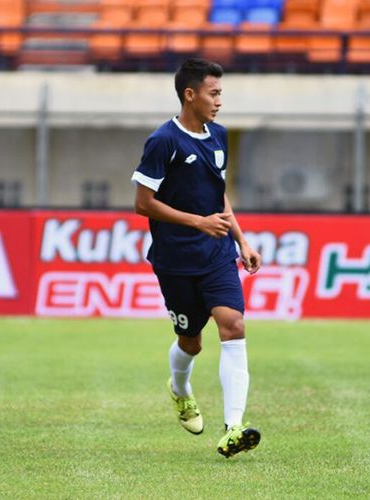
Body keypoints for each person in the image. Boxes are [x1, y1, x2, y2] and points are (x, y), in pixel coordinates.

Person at [131, 58, 262, 458]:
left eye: (221, 93)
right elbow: (142, 204)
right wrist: (196, 222)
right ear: (191, 95)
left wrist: (241, 239)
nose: (220, 100)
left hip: (217, 254)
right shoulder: (163, 141)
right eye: (214, 93)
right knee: (190, 342)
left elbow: (218, 194)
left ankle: (234, 427)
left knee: (233, 324)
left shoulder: (219, 135)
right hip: (175, 259)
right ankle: (180, 388)